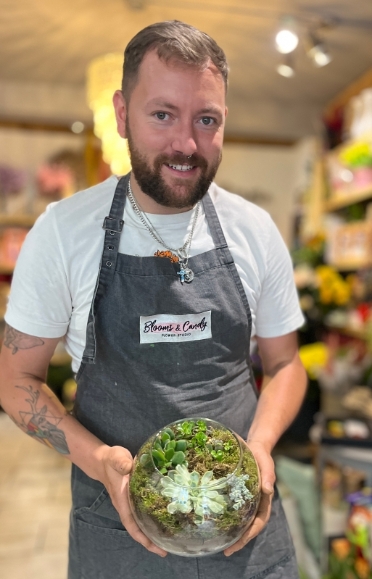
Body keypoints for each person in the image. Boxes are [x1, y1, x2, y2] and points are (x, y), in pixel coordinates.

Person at [0, 20, 307, 579]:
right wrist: (97, 460)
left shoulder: (255, 230)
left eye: (205, 120)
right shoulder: (64, 232)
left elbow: (286, 364)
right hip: (115, 532)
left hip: (242, 526)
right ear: (121, 114)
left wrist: (260, 449)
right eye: (162, 114)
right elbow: (15, 379)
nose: (186, 144)